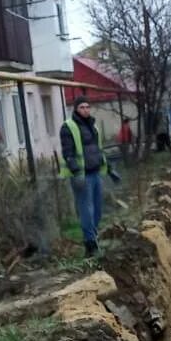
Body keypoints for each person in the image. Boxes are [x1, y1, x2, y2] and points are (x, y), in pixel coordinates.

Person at [60, 97, 111, 257]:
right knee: (86, 211)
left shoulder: (92, 126)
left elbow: (96, 148)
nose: (86, 110)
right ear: (76, 109)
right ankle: (90, 244)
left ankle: (93, 237)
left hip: (95, 173)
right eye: (82, 107)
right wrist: (76, 172)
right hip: (82, 176)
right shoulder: (69, 127)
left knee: (97, 210)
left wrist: (106, 165)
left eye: (88, 106)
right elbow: (68, 153)